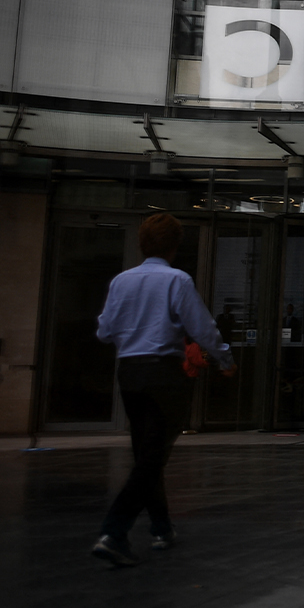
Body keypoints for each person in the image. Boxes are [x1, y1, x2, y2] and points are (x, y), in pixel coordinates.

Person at [92, 213, 235, 567]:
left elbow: (104, 332)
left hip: (130, 372)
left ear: (142, 244)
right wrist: (225, 360)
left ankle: (161, 527)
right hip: (164, 373)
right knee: (153, 457)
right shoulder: (177, 280)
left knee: (147, 452)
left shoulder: (121, 281)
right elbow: (202, 328)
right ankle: (114, 531)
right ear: (174, 246)